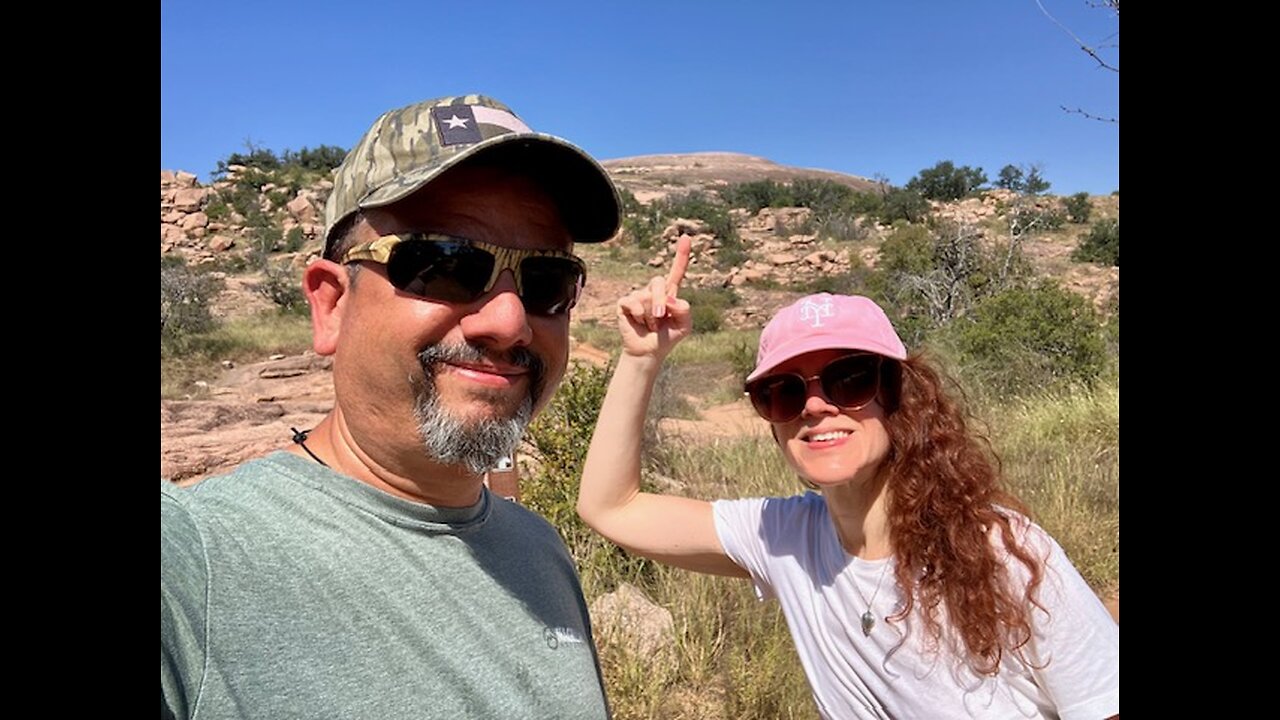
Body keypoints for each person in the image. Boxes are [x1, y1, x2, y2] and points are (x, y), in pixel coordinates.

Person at [161, 95, 622, 719]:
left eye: (546, 282)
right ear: (331, 305)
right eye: (445, 265)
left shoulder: (540, 551)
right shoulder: (192, 562)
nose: (510, 323)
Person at [577, 238, 1119, 719]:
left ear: (897, 397)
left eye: (849, 379)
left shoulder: (1002, 549)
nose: (815, 406)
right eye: (784, 391)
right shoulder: (786, 539)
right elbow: (611, 508)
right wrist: (641, 358)